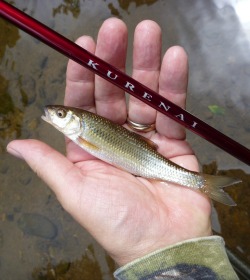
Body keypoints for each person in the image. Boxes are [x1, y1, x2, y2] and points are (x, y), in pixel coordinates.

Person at [7, 19, 238, 279]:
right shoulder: (83, 133)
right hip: (145, 162)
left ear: (75, 120)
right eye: (60, 114)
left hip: (147, 161)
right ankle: (201, 183)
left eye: (61, 114)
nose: (53, 114)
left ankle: (202, 183)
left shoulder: (83, 133)